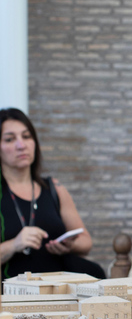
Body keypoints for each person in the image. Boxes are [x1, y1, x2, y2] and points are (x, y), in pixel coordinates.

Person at [0, 108, 105, 280]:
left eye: (26, 137)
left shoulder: (54, 188)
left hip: (62, 290)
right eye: (10, 139)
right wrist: (13, 245)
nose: (21, 145)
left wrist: (68, 245)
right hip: (14, 297)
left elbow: (86, 242)